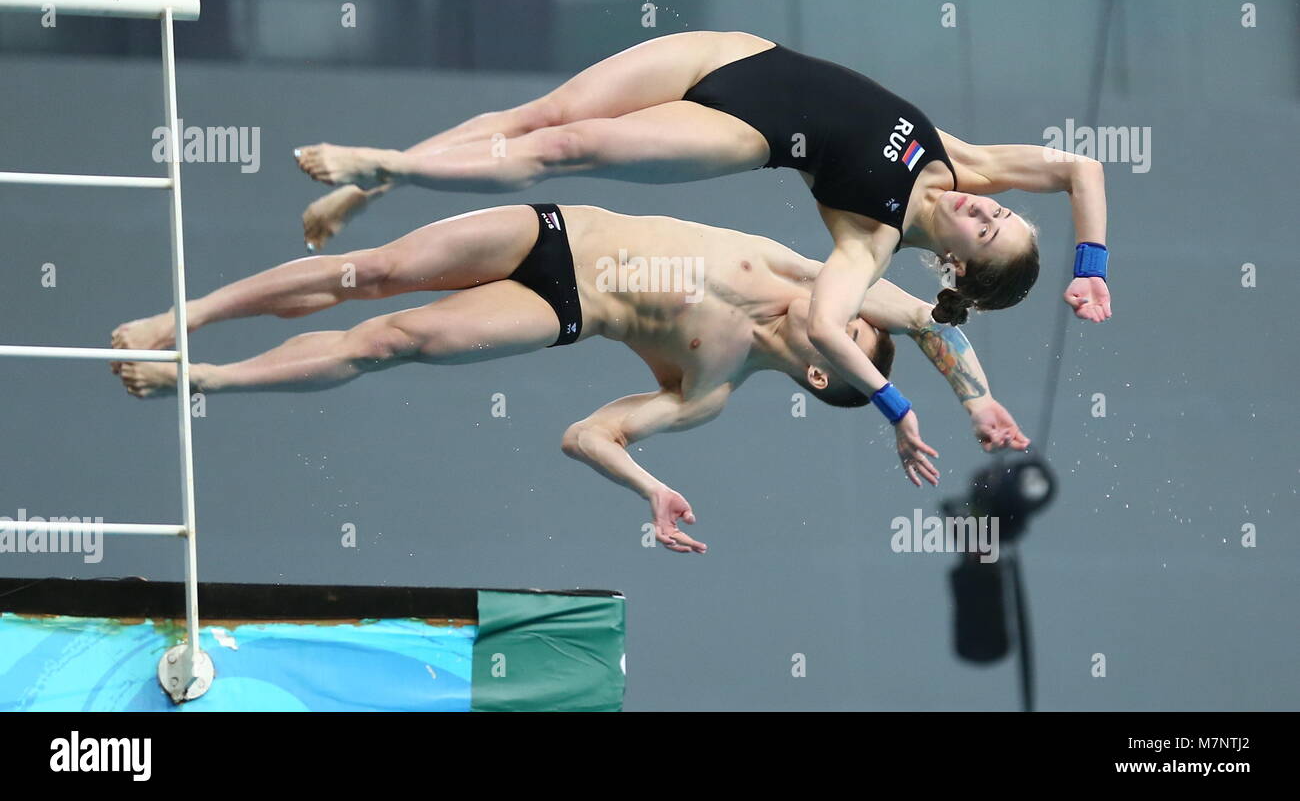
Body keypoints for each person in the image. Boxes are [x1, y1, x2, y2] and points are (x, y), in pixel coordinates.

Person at [291, 30, 1109, 456]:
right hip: (740, 53)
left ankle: (384, 163)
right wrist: (1091, 267)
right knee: (537, 117)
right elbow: (1080, 166)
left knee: (565, 150)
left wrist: (917, 408)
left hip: (739, 128)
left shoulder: (869, 242)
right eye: (1001, 210)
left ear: (957, 263)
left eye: (989, 228)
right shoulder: (965, 160)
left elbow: (843, 328)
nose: (985, 207)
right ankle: (382, 182)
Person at [112, 204, 1029, 554]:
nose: (838, 312)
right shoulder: (805, 276)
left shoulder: (709, 390)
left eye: (849, 336)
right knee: (379, 270)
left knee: (384, 341)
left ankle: (207, 377)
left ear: (830, 376)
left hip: (560, 310)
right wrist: (975, 399)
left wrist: (651, 489)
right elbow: (942, 327)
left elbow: (585, 434)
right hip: (557, 234)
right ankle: (178, 319)